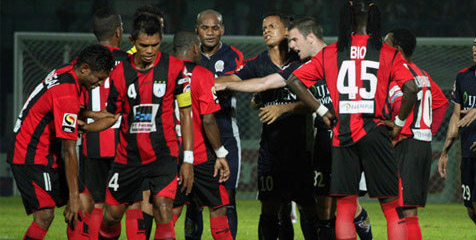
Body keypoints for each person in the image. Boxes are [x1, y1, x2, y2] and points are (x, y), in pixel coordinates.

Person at [217, 16, 374, 240]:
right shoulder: (308, 65)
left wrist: (284, 109)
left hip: (346, 140)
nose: (291, 45)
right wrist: (222, 84)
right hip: (318, 142)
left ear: (309, 37)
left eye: (293, 39)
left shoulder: (339, 58)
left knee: (348, 204)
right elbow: (268, 83)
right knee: (322, 208)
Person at [285, 1, 419, 239]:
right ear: (376, 16)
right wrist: (399, 122)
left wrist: (321, 111)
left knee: (346, 207)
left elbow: (294, 80)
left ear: (345, 17)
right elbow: (411, 87)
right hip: (375, 130)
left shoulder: (330, 52)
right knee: (391, 206)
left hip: (342, 132)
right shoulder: (388, 53)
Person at [82, 15, 194, 240]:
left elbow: (185, 111)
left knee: (163, 208)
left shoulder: (175, 68)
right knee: (112, 215)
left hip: (164, 153)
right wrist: (84, 127)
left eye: (155, 45)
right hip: (128, 158)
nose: (150, 50)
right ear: (132, 40)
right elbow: (111, 116)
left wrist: (188, 159)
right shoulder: (120, 72)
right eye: (144, 45)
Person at [216, 12, 319, 240]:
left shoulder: (301, 60)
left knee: (307, 206)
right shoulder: (258, 63)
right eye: (263, 27)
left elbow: (316, 102)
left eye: (272, 26)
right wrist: (207, 82)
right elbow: (234, 79)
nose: (266, 30)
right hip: (271, 149)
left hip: (301, 149)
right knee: (271, 207)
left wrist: (283, 108)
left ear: (286, 31)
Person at [7, 44, 113, 240]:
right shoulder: (67, 93)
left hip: (47, 152)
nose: (100, 83)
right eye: (99, 78)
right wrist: (72, 197)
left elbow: (63, 111)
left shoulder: (67, 71)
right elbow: (70, 150)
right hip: (30, 155)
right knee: (45, 215)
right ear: (85, 69)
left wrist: (95, 114)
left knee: (85, 202)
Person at [383, 28, 448, 240]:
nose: (383, 48)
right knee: (408, 210)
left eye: (386, 43)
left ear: (397, 49)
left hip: (406, 144)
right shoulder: (422, 74)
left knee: (401, 210)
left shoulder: (398, 76)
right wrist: (426, 132)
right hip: (421, 145)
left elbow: (404, 104)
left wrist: (403, 130)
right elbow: (440, 103)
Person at [187, 9, 244, 240]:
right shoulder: (188, 55)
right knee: (193, 198)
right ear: (196, 30)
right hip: (195, 136)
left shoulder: (234, 55)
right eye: (204, 28)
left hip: (226, 132)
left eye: (215, 28)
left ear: (222, 29)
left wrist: (202, 83)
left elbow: (239, 80)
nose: (210, 33)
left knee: (227, 197)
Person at [78, 8, 134, 240]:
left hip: (91, 144)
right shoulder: (130, 63)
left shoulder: (80, 64)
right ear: (119, 32)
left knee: (95, 203)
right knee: (132, 203)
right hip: (124, 145)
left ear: (94, 32)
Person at [172, 30, 233, 240]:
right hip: (199, 155)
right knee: (218, 206)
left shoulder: (162, 72)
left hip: (170, 155)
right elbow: (208, 120)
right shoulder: (202, 74)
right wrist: (220, 153)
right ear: (195, 48)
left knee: (170, 210)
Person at [438, 36, 476, 227]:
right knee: (471, 208)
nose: (475, 49)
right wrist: (446, 150)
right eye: (475, 45)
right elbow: (456, 115)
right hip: (468, 150)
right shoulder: (463, 76)